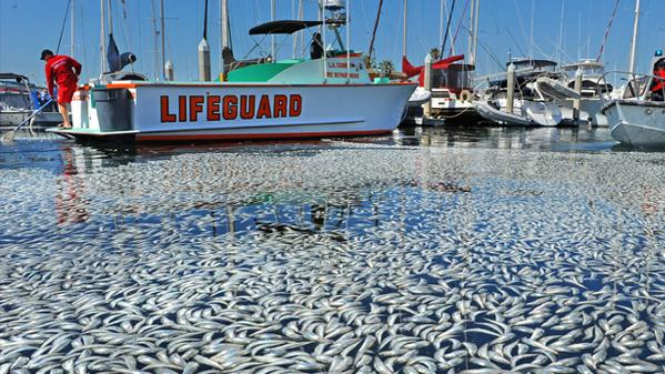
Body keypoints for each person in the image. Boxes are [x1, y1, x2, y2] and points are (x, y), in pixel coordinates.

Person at [41, 49, 81, 129]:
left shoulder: (49, 64)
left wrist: (51, 93)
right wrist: (77, 74)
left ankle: (67, 123)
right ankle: (74, 122)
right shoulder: (65, 57)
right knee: (71, 101)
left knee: (61, 102)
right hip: (73, 83)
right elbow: (78, 65)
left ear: (47, 55)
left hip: (64, 84)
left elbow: (49, 80)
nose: (45, 60)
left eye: (44, 58)